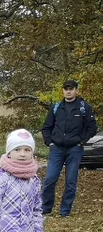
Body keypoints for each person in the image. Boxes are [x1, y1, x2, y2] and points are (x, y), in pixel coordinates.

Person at [40, 79, 97, 217]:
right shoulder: (56, 107)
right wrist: (50, 142)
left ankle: (65, 212)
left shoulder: (84, 107)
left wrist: (81, 142)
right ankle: (46, 209)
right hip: (57, 149)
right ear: (63, 91)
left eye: (71, 89)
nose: (68, 91)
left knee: (71, 181)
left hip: (75, 149)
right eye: (66, 89)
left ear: (76, 91)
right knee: (49, 180)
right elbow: (46, 127)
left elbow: (92, 128)